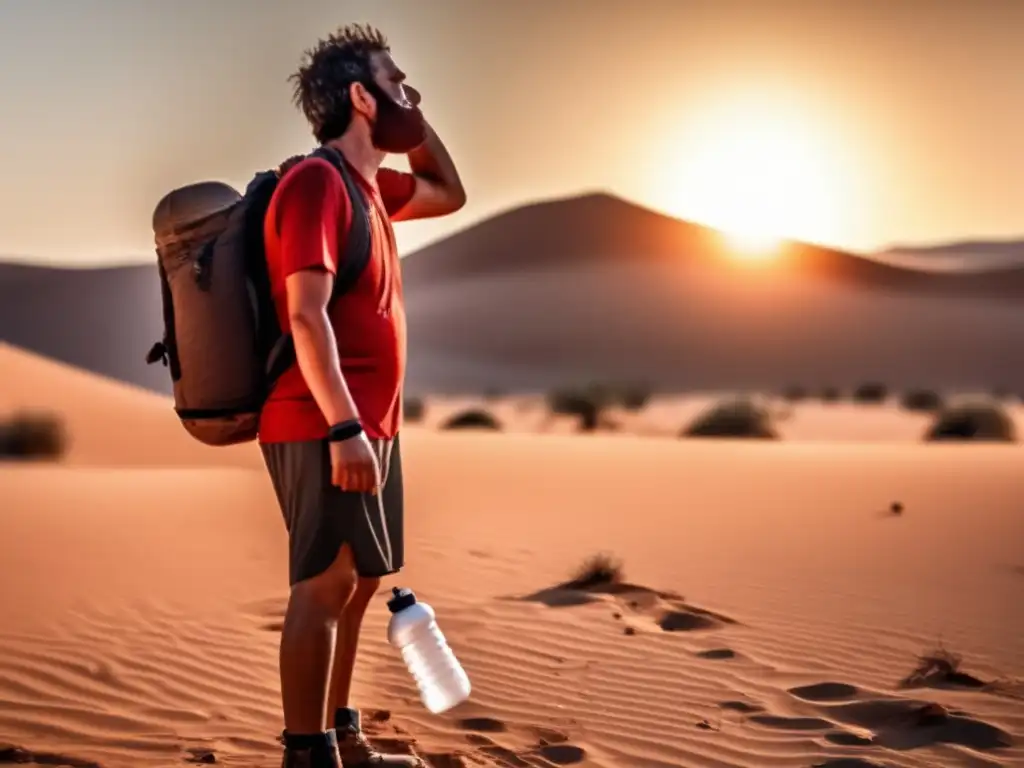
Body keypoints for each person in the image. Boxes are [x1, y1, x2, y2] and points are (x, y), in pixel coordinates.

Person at [258, 23, 466, 768]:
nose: (411, 91)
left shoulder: (373, 190)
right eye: (396, 80)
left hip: (370, 423)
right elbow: (306, 315)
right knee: (326, 581)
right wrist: (344, 425)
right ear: (359, 96)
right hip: (323, 419)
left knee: (364, 579)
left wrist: (407, 115)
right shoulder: (315, 184)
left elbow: (450, 190)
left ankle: (342, 736)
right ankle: (306, 753)